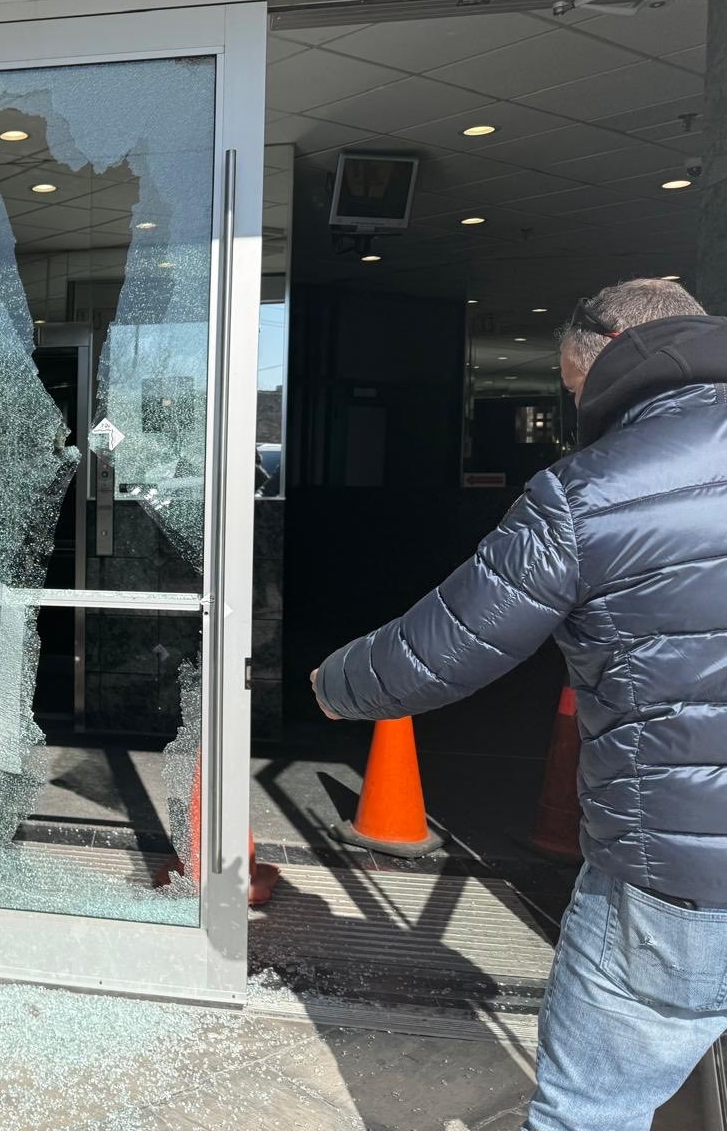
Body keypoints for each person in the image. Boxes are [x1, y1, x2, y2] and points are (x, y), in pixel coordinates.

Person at [311, 278, 727, 1131]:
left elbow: (442, 647)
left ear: (610, 350)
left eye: (577, 391)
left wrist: (333, 684)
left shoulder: (590, 492)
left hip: (682, 885)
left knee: (588, 1114)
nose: (579, 414)